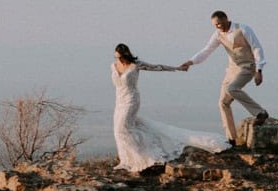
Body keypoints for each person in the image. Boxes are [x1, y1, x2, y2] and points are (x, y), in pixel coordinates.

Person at [111, 42, 229, 175]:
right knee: (119, 130)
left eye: (119, 57)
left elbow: (157, 67)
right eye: (116, 57)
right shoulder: (113, 66)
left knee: (122, 128)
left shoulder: (136, 65)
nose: (118, 59)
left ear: (125, 55)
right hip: (119, 100)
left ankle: (137, 158)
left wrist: (176, 68)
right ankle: (127, 159)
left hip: (131, 100)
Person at [182, 11, 269, 142]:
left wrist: (259, 70)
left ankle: (260, 113)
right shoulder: (218, 34)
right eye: (215, 25)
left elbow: (257, 48)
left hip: (248, 66)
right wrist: (191, 62)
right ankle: (231, 139)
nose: (218, 26)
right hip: (232, 69)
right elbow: (207, 50)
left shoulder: (243, 29)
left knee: (232, 89)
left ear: (225, 19)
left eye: (219, 23)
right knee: (223, 102)